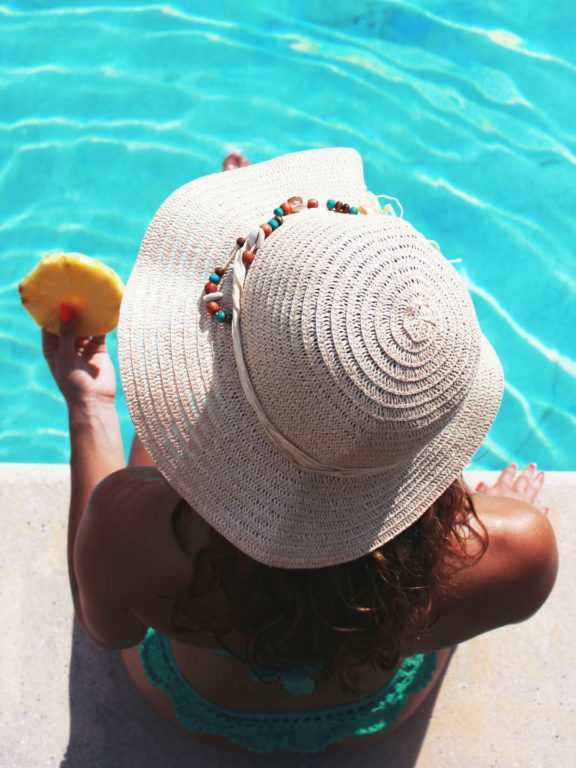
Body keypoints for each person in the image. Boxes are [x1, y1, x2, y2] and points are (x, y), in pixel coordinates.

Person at [42, 148, 558, 755]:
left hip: (196, 703)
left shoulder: (129, 529)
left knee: (164, 451)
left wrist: (91, 407)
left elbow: (107, 631)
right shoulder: (517, 552)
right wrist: (481, 522)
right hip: (374, 710)